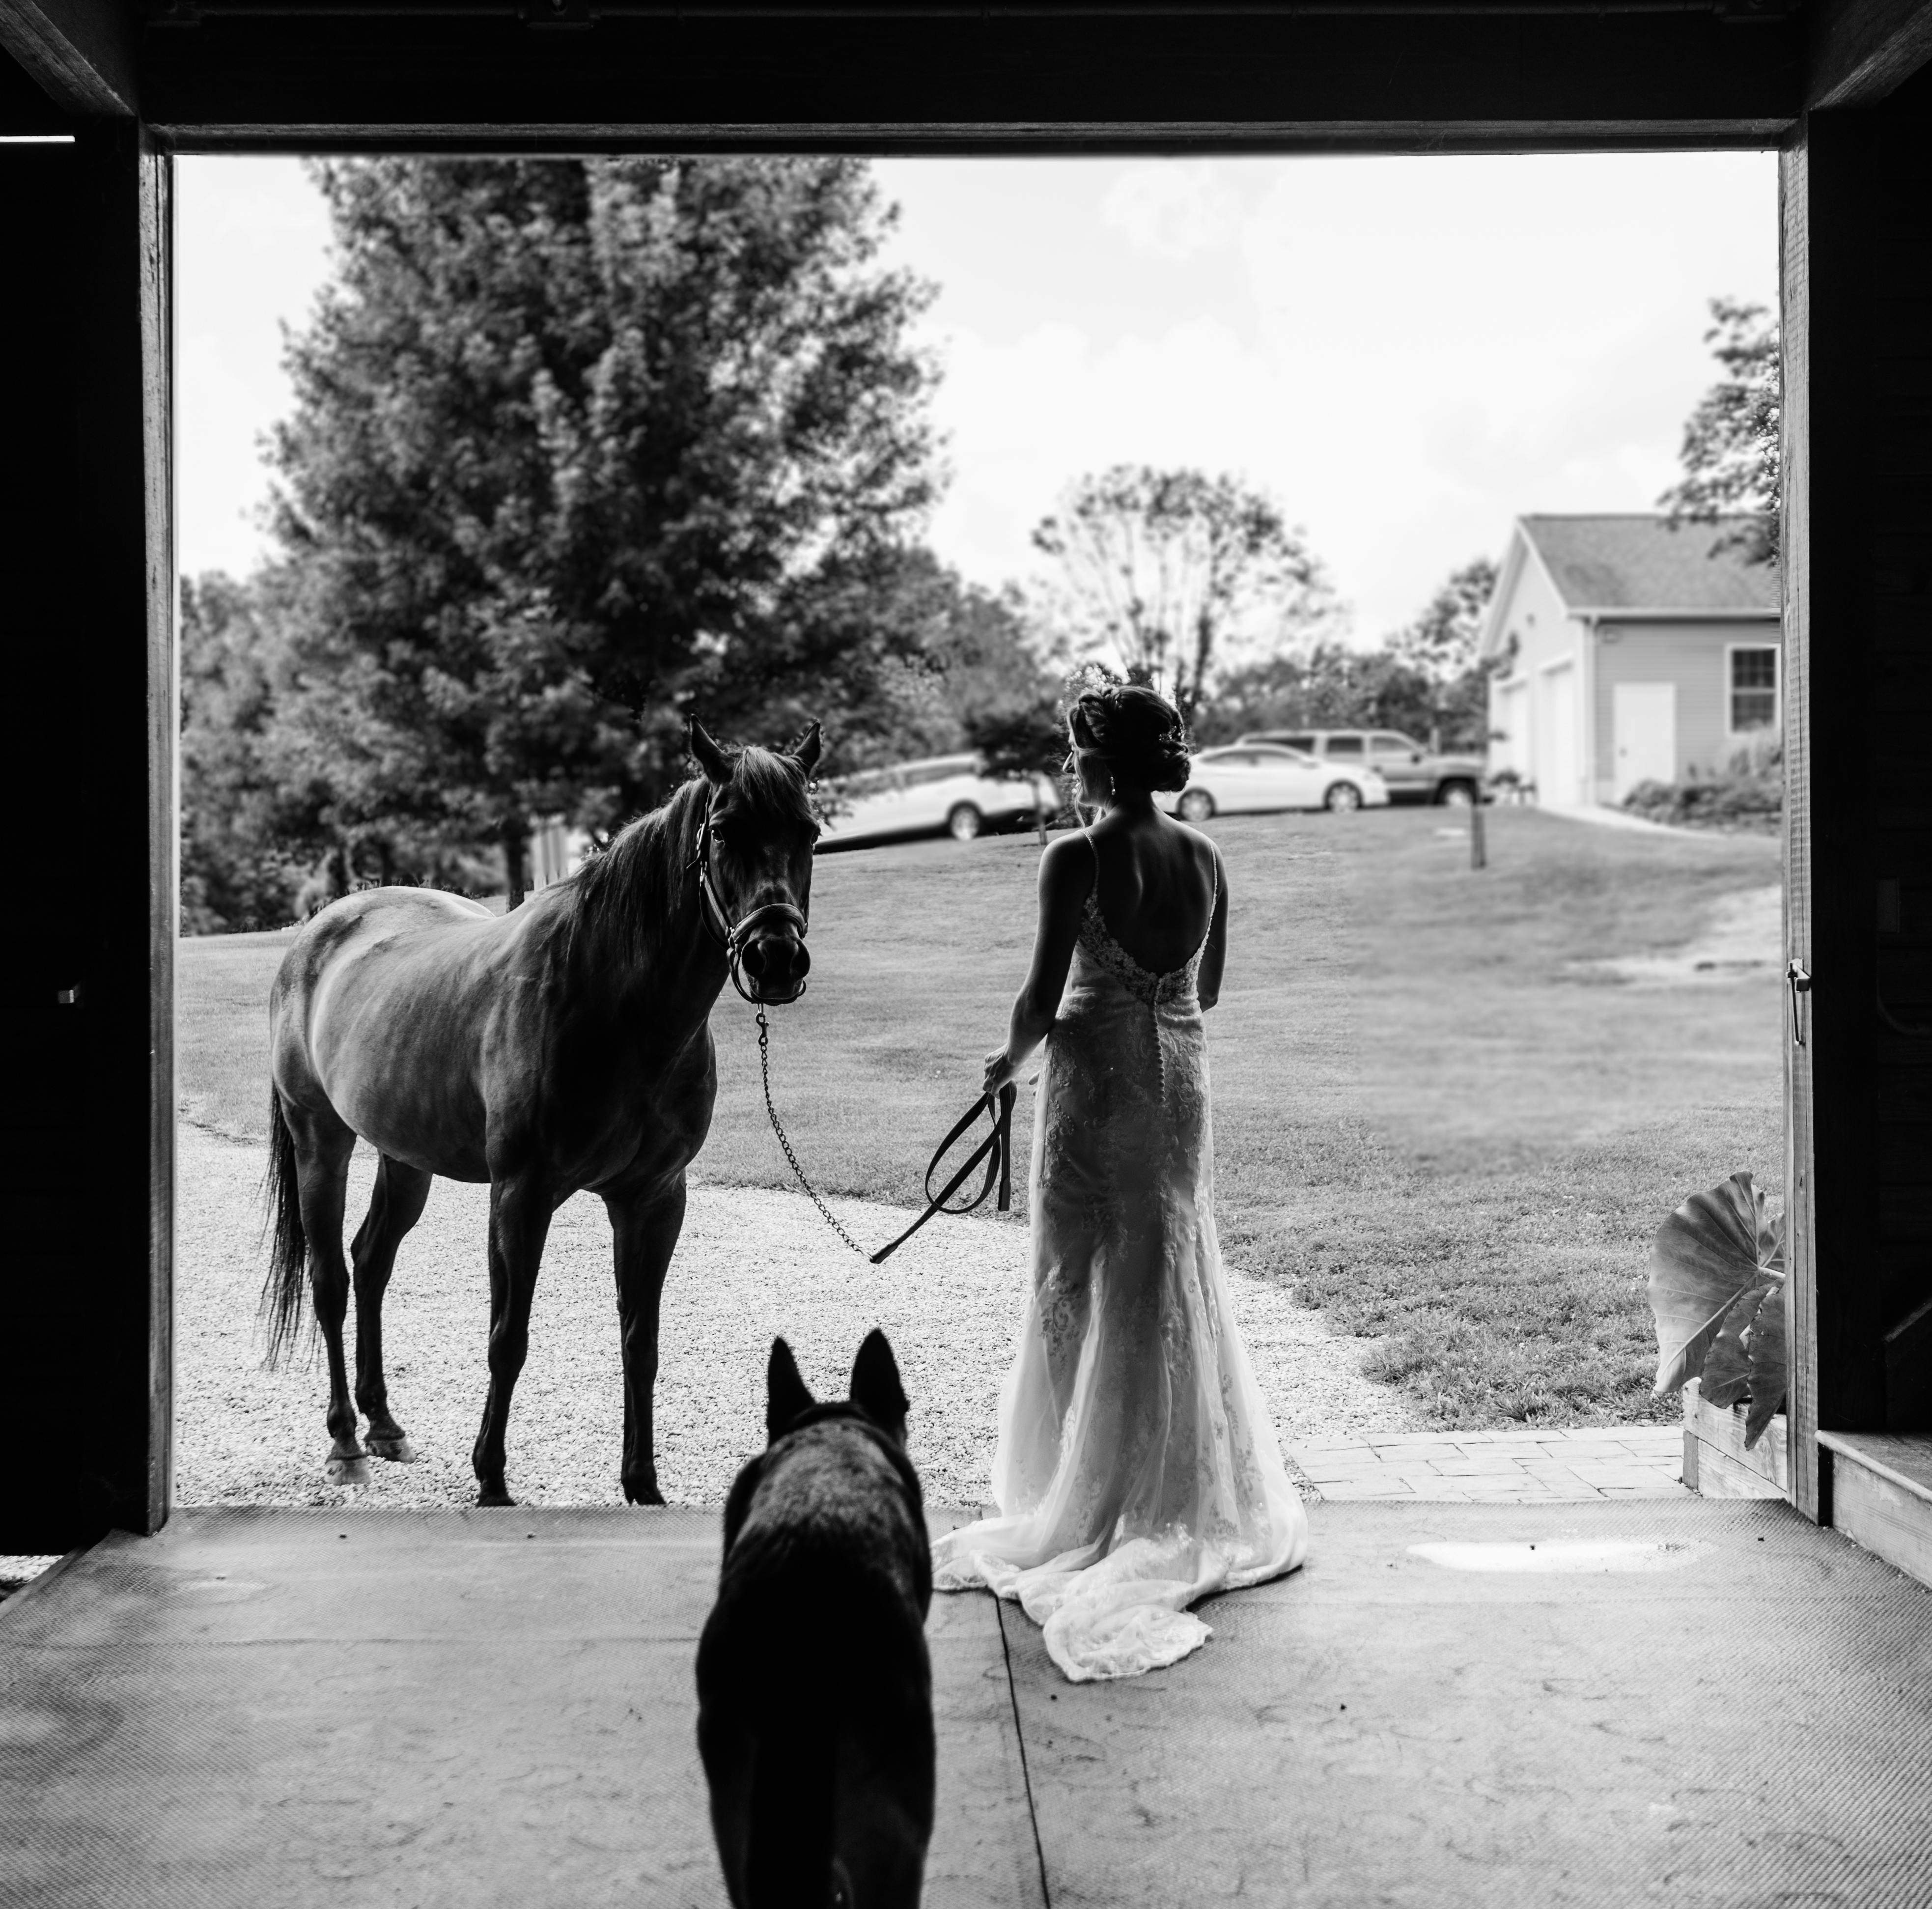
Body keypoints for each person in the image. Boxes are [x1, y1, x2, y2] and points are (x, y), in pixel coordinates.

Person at [932, 683, 1308, 1682]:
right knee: (1164, 1266)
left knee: (1073, 1276)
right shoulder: (1206, 855)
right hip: (1178, 1076)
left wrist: (1005, 1064)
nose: (1066, 764)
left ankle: (1079, 1491)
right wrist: (1154, 995)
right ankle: (1170, 1488)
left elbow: (1039, 992)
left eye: (1072, 749)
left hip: (1095, 1073)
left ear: (1100, 760)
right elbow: (1208, 990)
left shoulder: (1076, 856)